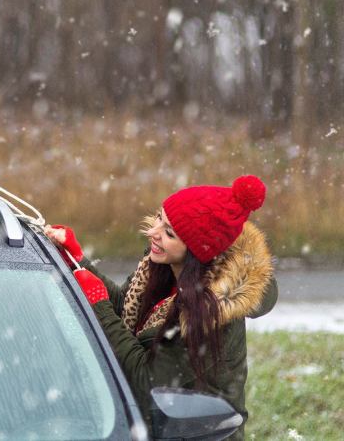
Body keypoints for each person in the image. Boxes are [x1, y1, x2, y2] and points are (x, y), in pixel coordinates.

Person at [45, 175, 277, 440]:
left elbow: (147, 383)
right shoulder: (166, 268)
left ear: (195, 252)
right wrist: (77, 259)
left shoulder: (208, 315)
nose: (152, 232)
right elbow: (128, 312)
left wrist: (98, 305)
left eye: (169, 233)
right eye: (159, 218)